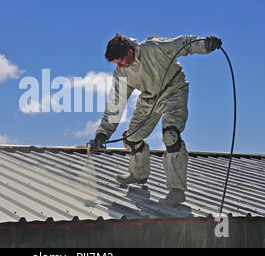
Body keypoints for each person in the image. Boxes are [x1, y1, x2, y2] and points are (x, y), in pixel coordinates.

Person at [90, 33, 222, 207]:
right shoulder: (121, 73)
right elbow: (115, 104)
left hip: (174, 90)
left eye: (121, 61)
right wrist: (102, 134)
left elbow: (183, 44)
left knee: (170, 135)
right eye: (117, 64)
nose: (120, 66)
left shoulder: (153, 48)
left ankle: (176, 190)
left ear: (130, 51)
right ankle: (138, 174)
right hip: (149, 99)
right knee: (131, 139)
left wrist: (205, 44)